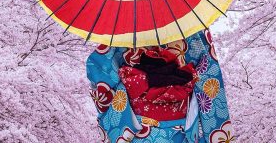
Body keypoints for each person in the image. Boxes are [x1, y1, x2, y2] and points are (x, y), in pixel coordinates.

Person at [86, 29, 235, 143]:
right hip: (182, 129)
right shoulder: (191, 28)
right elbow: (210, 82)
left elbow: (98, 71)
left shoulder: (118, 36)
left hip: (138, 130)